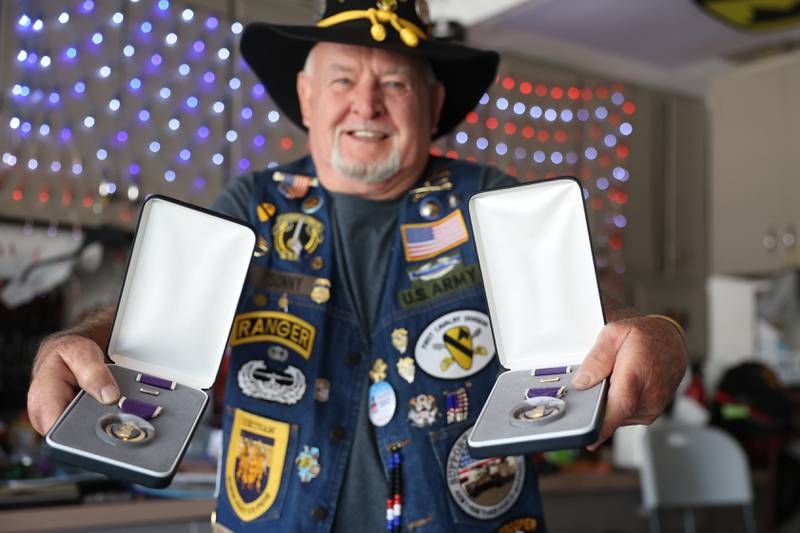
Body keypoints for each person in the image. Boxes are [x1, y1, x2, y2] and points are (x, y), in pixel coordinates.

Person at [26, 1, 687, 531]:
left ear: (431, 108)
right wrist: (84, 343)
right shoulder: (251, 206)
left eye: (394, 83)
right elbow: (151, 321)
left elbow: (591, 319)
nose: (365, 106)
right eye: (343, 79)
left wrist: (653, 333)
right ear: (307, 98)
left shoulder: (494, 199)